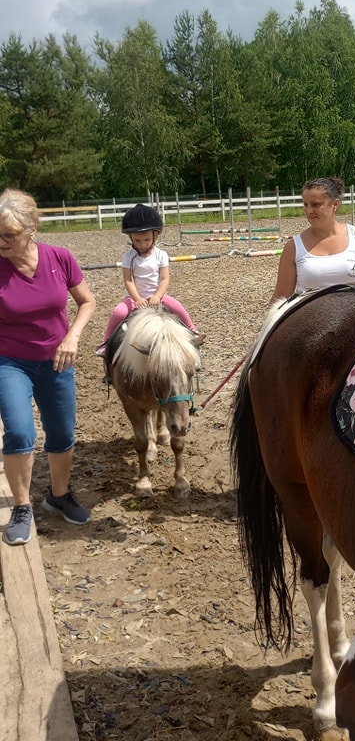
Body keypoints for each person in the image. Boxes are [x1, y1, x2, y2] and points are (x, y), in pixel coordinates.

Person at [0, 188, 97, 545]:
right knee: (21, 432)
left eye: (9, 235)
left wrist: (71, 337)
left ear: (31, 230)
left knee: (62, 434)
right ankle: (22, 507)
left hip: (57, 360)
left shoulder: (60, 258)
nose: (2, 242)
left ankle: (58, 496)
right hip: (9, 361)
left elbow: (87, 302)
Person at [96, 203, 203, 356]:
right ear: (131, 238)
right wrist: (137, 299)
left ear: (155, 236)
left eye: (146, 240)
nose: (142, 244)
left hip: (157, 295)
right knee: (118, 313)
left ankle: (193, 331)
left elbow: (164, 278)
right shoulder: (128, 257)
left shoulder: (161, 255)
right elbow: (128, 280)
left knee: (178, 307)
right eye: (137, 241)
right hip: (134, 298)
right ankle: (106, 342)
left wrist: (158, 296)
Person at [270, 177, 355, 302]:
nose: (309, 211)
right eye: (305, 205)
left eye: (315, 205)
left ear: (335, 204)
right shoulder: (294, 247)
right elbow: (281, 296)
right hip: (310, 316)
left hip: (353, 312)